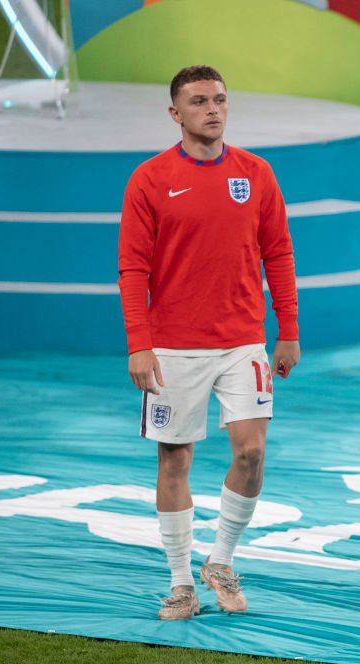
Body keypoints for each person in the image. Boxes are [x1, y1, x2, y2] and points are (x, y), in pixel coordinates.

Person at [118, 65, 300, 621]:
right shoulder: (149, 179)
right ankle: (180, 583)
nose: (213, 109)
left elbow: (280, 253)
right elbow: (132, 268)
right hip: (172, 345)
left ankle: (220, 560)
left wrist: (287, 329)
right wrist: (139, 342)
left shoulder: (256, 173)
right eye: (199, 102)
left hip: (242, 339)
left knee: (252, 450)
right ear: (176, 114)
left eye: (220, 99)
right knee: (175, 461)